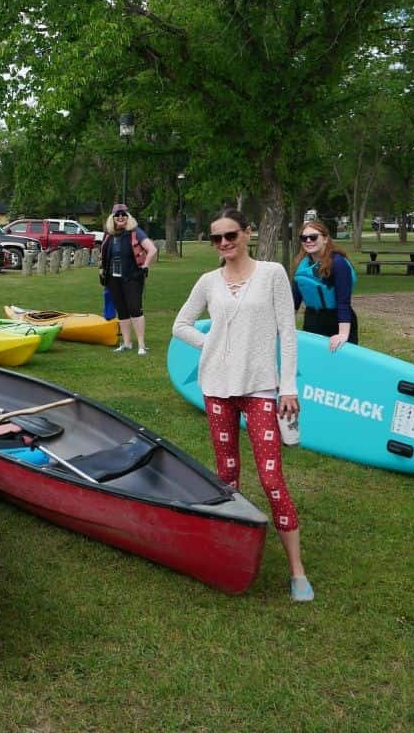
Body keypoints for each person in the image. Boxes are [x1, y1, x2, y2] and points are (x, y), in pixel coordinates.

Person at [172, 208, 313, 602]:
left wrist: (288, 387)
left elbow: (288, 332)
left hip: (261, 389)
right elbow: (180, 325)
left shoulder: (272, 274)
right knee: (227, 476)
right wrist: (211, 344)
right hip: (216, 387)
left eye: (230, 235)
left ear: (247, 232)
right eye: (215, 238)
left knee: (271, 480)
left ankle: (296, 570)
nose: (223, 244)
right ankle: (230, 556)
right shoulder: (207, 281)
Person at [99, 202, 158, 355]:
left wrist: (145, 266)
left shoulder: (135, 232)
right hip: (113, 278)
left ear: (128, 217)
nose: (120, 217)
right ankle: (126, 343)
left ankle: (141, 345)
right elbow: (104, 255)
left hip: (133, 277)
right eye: (117, 215)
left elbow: (152, 249)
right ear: (112, 218)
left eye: (123, 215)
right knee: (122, 310)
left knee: (135, 309)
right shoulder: (109, 235)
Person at [291, 219, 359, 351]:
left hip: (336, 320)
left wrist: (343, 334)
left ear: (325, 239)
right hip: (312, 319)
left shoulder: (339, 264)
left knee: (340, 365)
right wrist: (283, 328)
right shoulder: (302, 265)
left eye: (313, 237)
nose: (308, 241)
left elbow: (343, 302)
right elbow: (294, 301)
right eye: (304, 238)